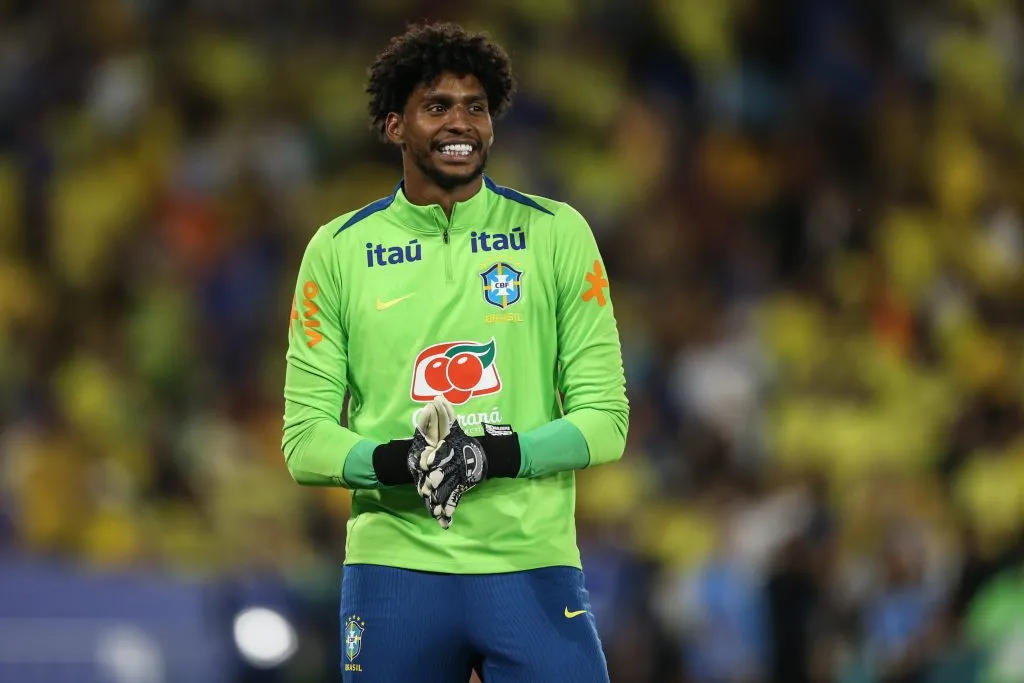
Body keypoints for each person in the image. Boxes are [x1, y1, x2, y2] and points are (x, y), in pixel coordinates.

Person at [282, 20, 629, 683]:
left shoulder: (557, 234)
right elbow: (305, 441)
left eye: (476, 106)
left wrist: (487, 454)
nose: (460, 121)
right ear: (394, 126)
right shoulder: (337, 251)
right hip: (396, 568)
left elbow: (606, 420)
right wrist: (402, 461)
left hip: (529, 558)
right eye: (437, 106)